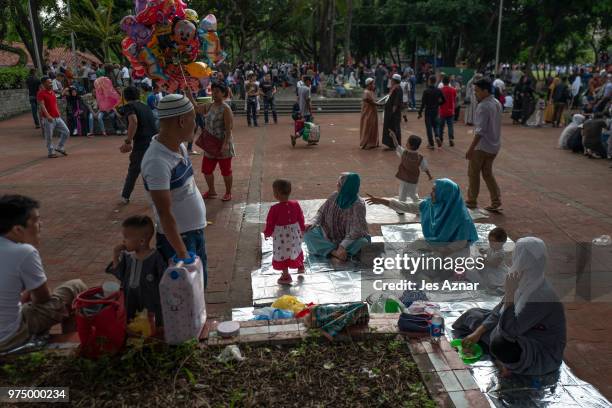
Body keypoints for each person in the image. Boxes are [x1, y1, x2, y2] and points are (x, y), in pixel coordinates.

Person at [454, 237, 566, 377]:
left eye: (517, 254)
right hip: (515, 328)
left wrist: (510, 293)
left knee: (501, 345)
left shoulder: (542, 296)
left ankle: (506, 362)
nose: (514, 258)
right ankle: (488, 342)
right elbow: (499, 310)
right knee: (474, 314)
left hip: (538, 349)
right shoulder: (523, 279)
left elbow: (509, 330)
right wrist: (478, 332)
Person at [0, 195, 87, 352]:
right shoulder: (24, 252)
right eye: (36, 220)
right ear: (18, 229)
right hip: (8, 336)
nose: (41, 225)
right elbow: (43, 298)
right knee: (75, 287)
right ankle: (71, 347)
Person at [140, 94, 208, 286]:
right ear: (181, 121)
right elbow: (164, 212)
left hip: (193, 233)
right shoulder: (156, 161)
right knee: (184, 295)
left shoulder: (179, 148)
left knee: (199, 289)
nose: (195, 124)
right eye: (193, 119)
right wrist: (181, 252)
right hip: (179, 240)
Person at [366, 178, 478, 265]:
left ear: (445, 194)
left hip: (454, 250)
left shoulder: (462, 217)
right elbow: (407, 207)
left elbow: (461, 243)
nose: (431, 193)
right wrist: (382, 201)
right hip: (435, 243)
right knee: (410, 252)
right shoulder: (429, 205)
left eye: (435, 191)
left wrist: (442, 251)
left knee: (449, 264)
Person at [106, 215, 166, 325]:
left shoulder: (155, 258)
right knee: (131, 323)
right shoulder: (127, 257)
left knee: (150, 325)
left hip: (150, 302)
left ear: (142, 241)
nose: (123, 241)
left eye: (126, 237)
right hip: (130, 300)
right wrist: (115, 256)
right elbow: (120, 275)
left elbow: (164, 280)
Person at [304, 173, 370, 261]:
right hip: (329, 235)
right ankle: (334, 253)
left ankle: (335, 251)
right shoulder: (334, 196)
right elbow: (321, 213)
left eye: (339, 184)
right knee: (308, 234)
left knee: (363, 243)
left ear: (347, 187)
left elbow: (356, 230)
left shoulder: (358, 205)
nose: (337, 186)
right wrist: (312, 223)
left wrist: (343, 245)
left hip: (349, 240)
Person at [193, 81, 235, 202]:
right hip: (210, 145)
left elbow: (229, 128)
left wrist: (225, 144)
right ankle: (211, 190)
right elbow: (196, 108)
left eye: (218, 92)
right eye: (213, 91)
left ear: (223, 93)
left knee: (226, 171)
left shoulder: (226, 108)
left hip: (223, 145)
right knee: (206, 170)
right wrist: (189, 94)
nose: (215, 94)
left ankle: (228, 192)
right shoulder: (210, 105)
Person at [465, 78, 502, 211]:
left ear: (485, 91)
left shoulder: (483, 106)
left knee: (473, 173)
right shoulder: (496, 103)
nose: (475, 93)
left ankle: (471, 201)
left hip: (481, 147)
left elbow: (480, 131)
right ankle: (496, 200)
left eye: (477, 91)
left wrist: (471, 149)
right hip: (494, 145)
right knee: (487, 173)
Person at [118, 86, 156, 204]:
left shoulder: (130, 106)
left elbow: (133, 121)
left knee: (134, 169)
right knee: (152, 170)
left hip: (142, 143)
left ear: (125, 97)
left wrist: (128, 141)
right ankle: (158, 194)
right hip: (155, 141)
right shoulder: (145, 106)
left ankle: (125, 195)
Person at [263, 179, 306, 285]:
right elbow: (301, 217)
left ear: (276, 194)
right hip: (295, 234)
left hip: (282, 238)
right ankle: (300, 266)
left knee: (283, 253)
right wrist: (302, 228)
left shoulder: (274, 209)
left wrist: (267, 233)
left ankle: (286, 275)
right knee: (296, 248)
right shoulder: (295, 204)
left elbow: (270, 223)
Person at [389, 131, 432, 207]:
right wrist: (429, 176)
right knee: (413, 194)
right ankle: (419, 206)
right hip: (413, 180)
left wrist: (393, 136)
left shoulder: (404, 153)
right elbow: (425, 168)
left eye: (407, 142)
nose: (406, 143)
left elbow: (396, 145)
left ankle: (401, 209)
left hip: (404, 178)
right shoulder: (420, 157)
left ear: (410, 145)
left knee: (402, 193)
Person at [37, 77, 70, 158]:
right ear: (44, 84)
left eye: (51, 82)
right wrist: (47, 116)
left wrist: (58, 112)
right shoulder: (41, 93)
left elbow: (54, 104)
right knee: (49, 136)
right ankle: (51, 152)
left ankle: (59, 147)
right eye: (49, 82)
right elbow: (42, 105)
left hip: (57, 117)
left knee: (66, 132)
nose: (51, 84)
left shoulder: (52, 92)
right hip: (48, 119)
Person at [418, 76, 445, 149]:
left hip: (428, 111)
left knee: (429, 127)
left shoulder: (426, 91)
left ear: (429, 81)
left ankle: (431, 143)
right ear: (435, 81)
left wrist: (420, 112)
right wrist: (438, 104)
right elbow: (444, 100)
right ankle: (437, 136)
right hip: (436, 110)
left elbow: (423, 103)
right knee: (436, 126)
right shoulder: (438, 90)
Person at [382, 74, 403, 149]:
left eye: (392, 80)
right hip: (390, 112)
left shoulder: (397, 88)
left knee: (394, 128)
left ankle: (395, 145)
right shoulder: (394, 88)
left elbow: (396, 102)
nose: (391, 81)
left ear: (394, 80)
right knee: (391, 127)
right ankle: (391, 144)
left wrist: (392, 112)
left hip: (394, 113)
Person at [359, 78, 381, 149]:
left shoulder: (371, 92)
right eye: (372, 84)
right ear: (368, 84)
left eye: (373, 83)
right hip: (367, 113)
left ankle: (372, 142)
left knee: (373, 127)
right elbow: (371, 102)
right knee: (368, 127)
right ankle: (366, 143)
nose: (373, 85)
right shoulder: (366, 92)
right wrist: (379, 104)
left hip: (373, 112)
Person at [438, 76, 457, 147]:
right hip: (451, 110)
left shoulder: (440, 90)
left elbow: (439, 100)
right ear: (449, 82)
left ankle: (440, 139)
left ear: (442, 82)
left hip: (442, 110)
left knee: (441, 126)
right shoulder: (453, 90)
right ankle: (451, 138)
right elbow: (455, 99)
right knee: (450, 126)